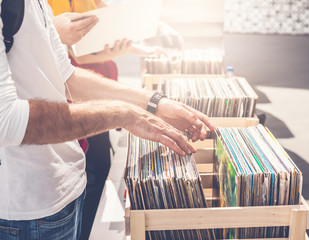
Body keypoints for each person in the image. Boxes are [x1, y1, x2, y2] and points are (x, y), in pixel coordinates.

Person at [0, 1, 214, 240]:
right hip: (26, 209)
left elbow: (66, 75)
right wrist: (122, 113)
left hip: (63, 186)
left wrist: (155, 104)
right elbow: (6, 120)